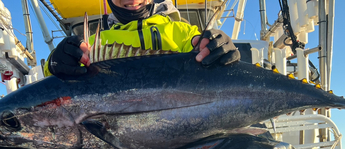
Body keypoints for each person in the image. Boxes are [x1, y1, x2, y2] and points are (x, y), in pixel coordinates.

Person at [44, 0, 240, 78]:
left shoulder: (182, 31)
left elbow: (202, 47)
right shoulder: (96, 43)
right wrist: (54, 62)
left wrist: (217, 46)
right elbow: (54, 80)